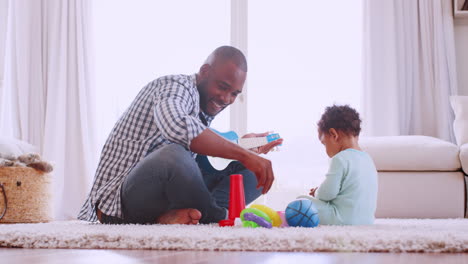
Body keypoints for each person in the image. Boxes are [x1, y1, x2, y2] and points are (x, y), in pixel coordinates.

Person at [77, 46, 283, 225]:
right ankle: (218, 217)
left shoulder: (202, 109)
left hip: (163, 195)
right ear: (204, 71)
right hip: (120, 201)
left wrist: (242, 148)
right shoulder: (175, 86)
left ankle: (184, 216)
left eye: (234, 94)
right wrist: (243, 153)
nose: (226, 99)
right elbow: (176, 126)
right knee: (172, 155)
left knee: (253, 170)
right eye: (222, 87)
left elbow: (201, 153)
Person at [297, 105, 377, 225]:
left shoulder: (340, 159)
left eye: (324, 143)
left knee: (300, 201)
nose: (325, 149)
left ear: (333, 134)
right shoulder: (368, 159)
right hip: (367, 221)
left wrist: (317, 192)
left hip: (341, 219)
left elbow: (327, 194)